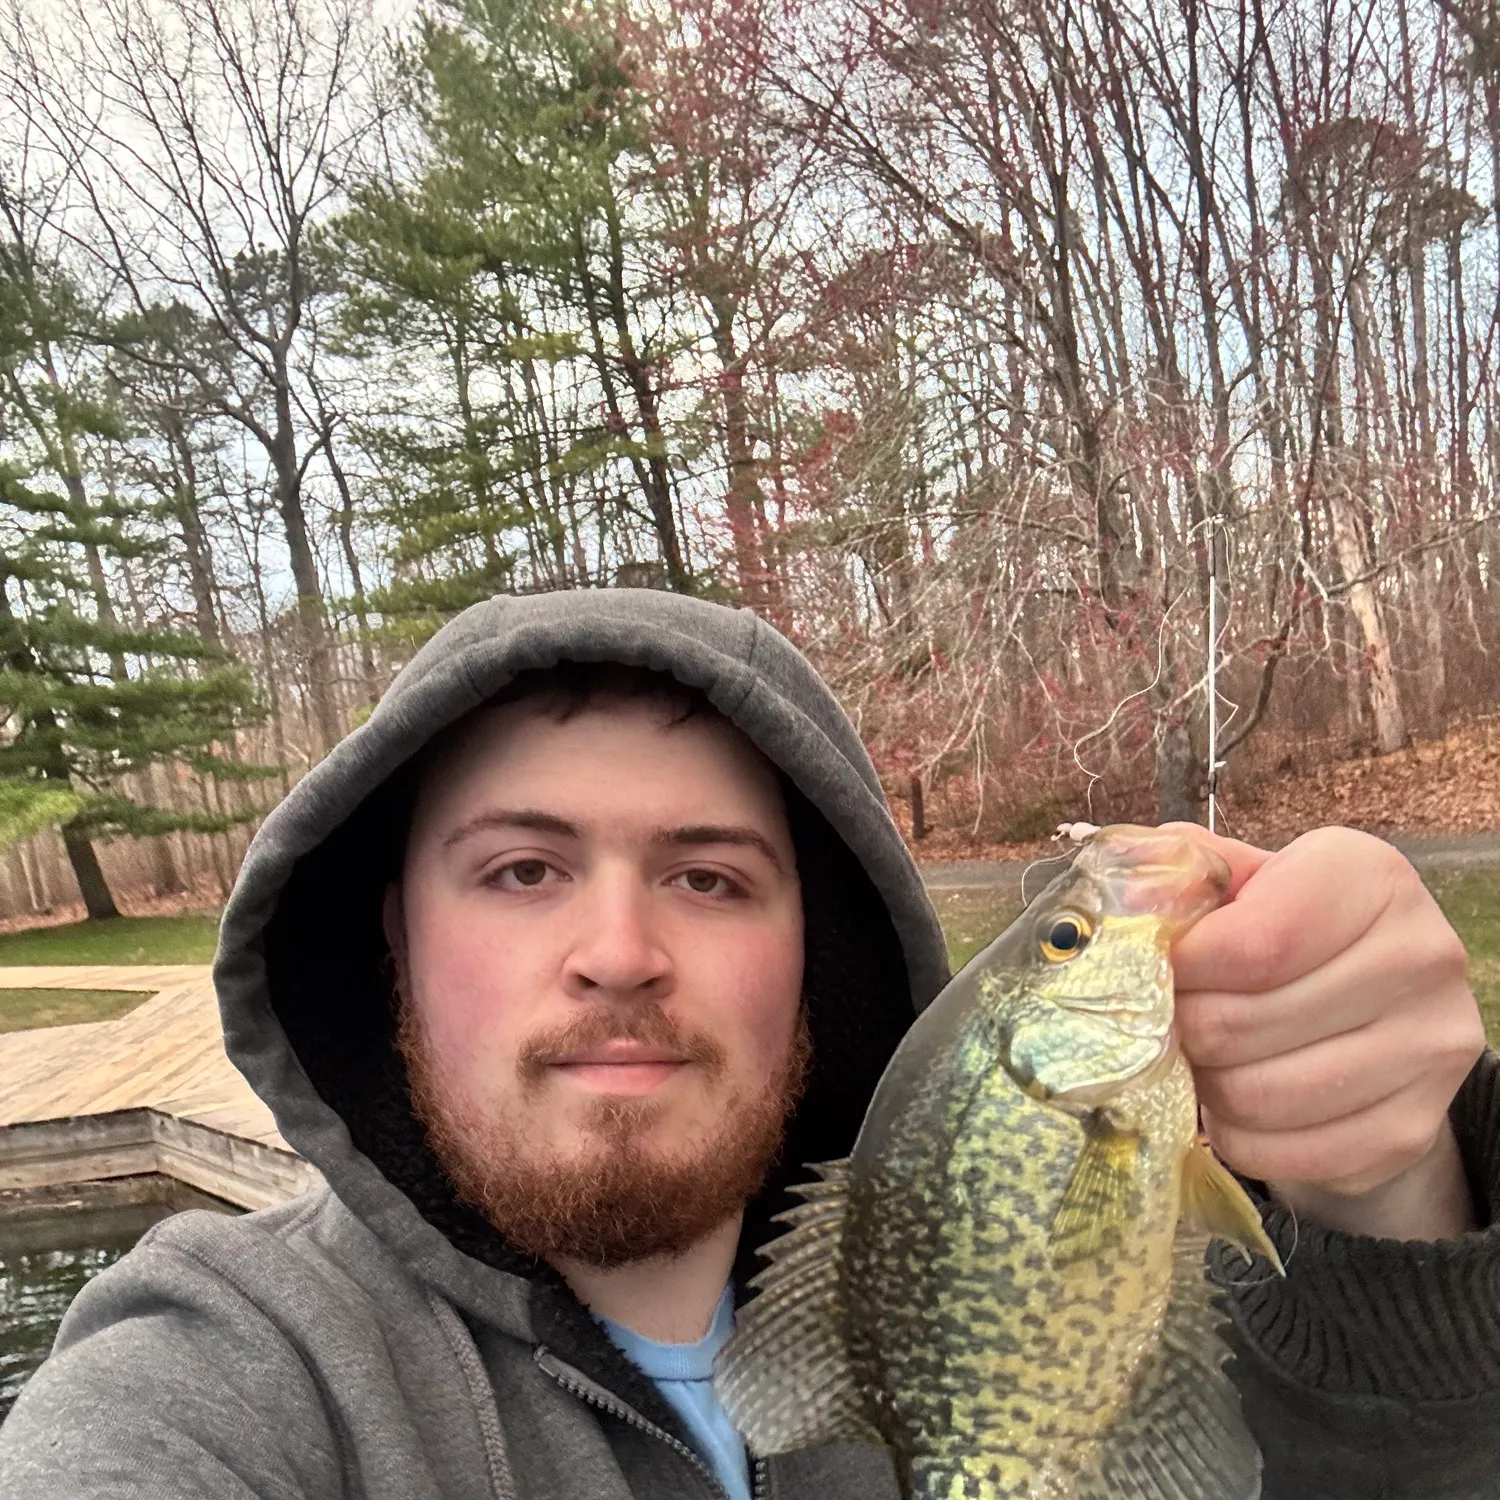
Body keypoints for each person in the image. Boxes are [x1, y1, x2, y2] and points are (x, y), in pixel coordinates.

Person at [0, 588, 1493, 1500]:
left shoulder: (1068, 1247)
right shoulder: (225, 1374)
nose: (620, 952)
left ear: (814, 955)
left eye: (709, 877)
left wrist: (1399, 1190)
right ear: (394, 935)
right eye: (522, 870)